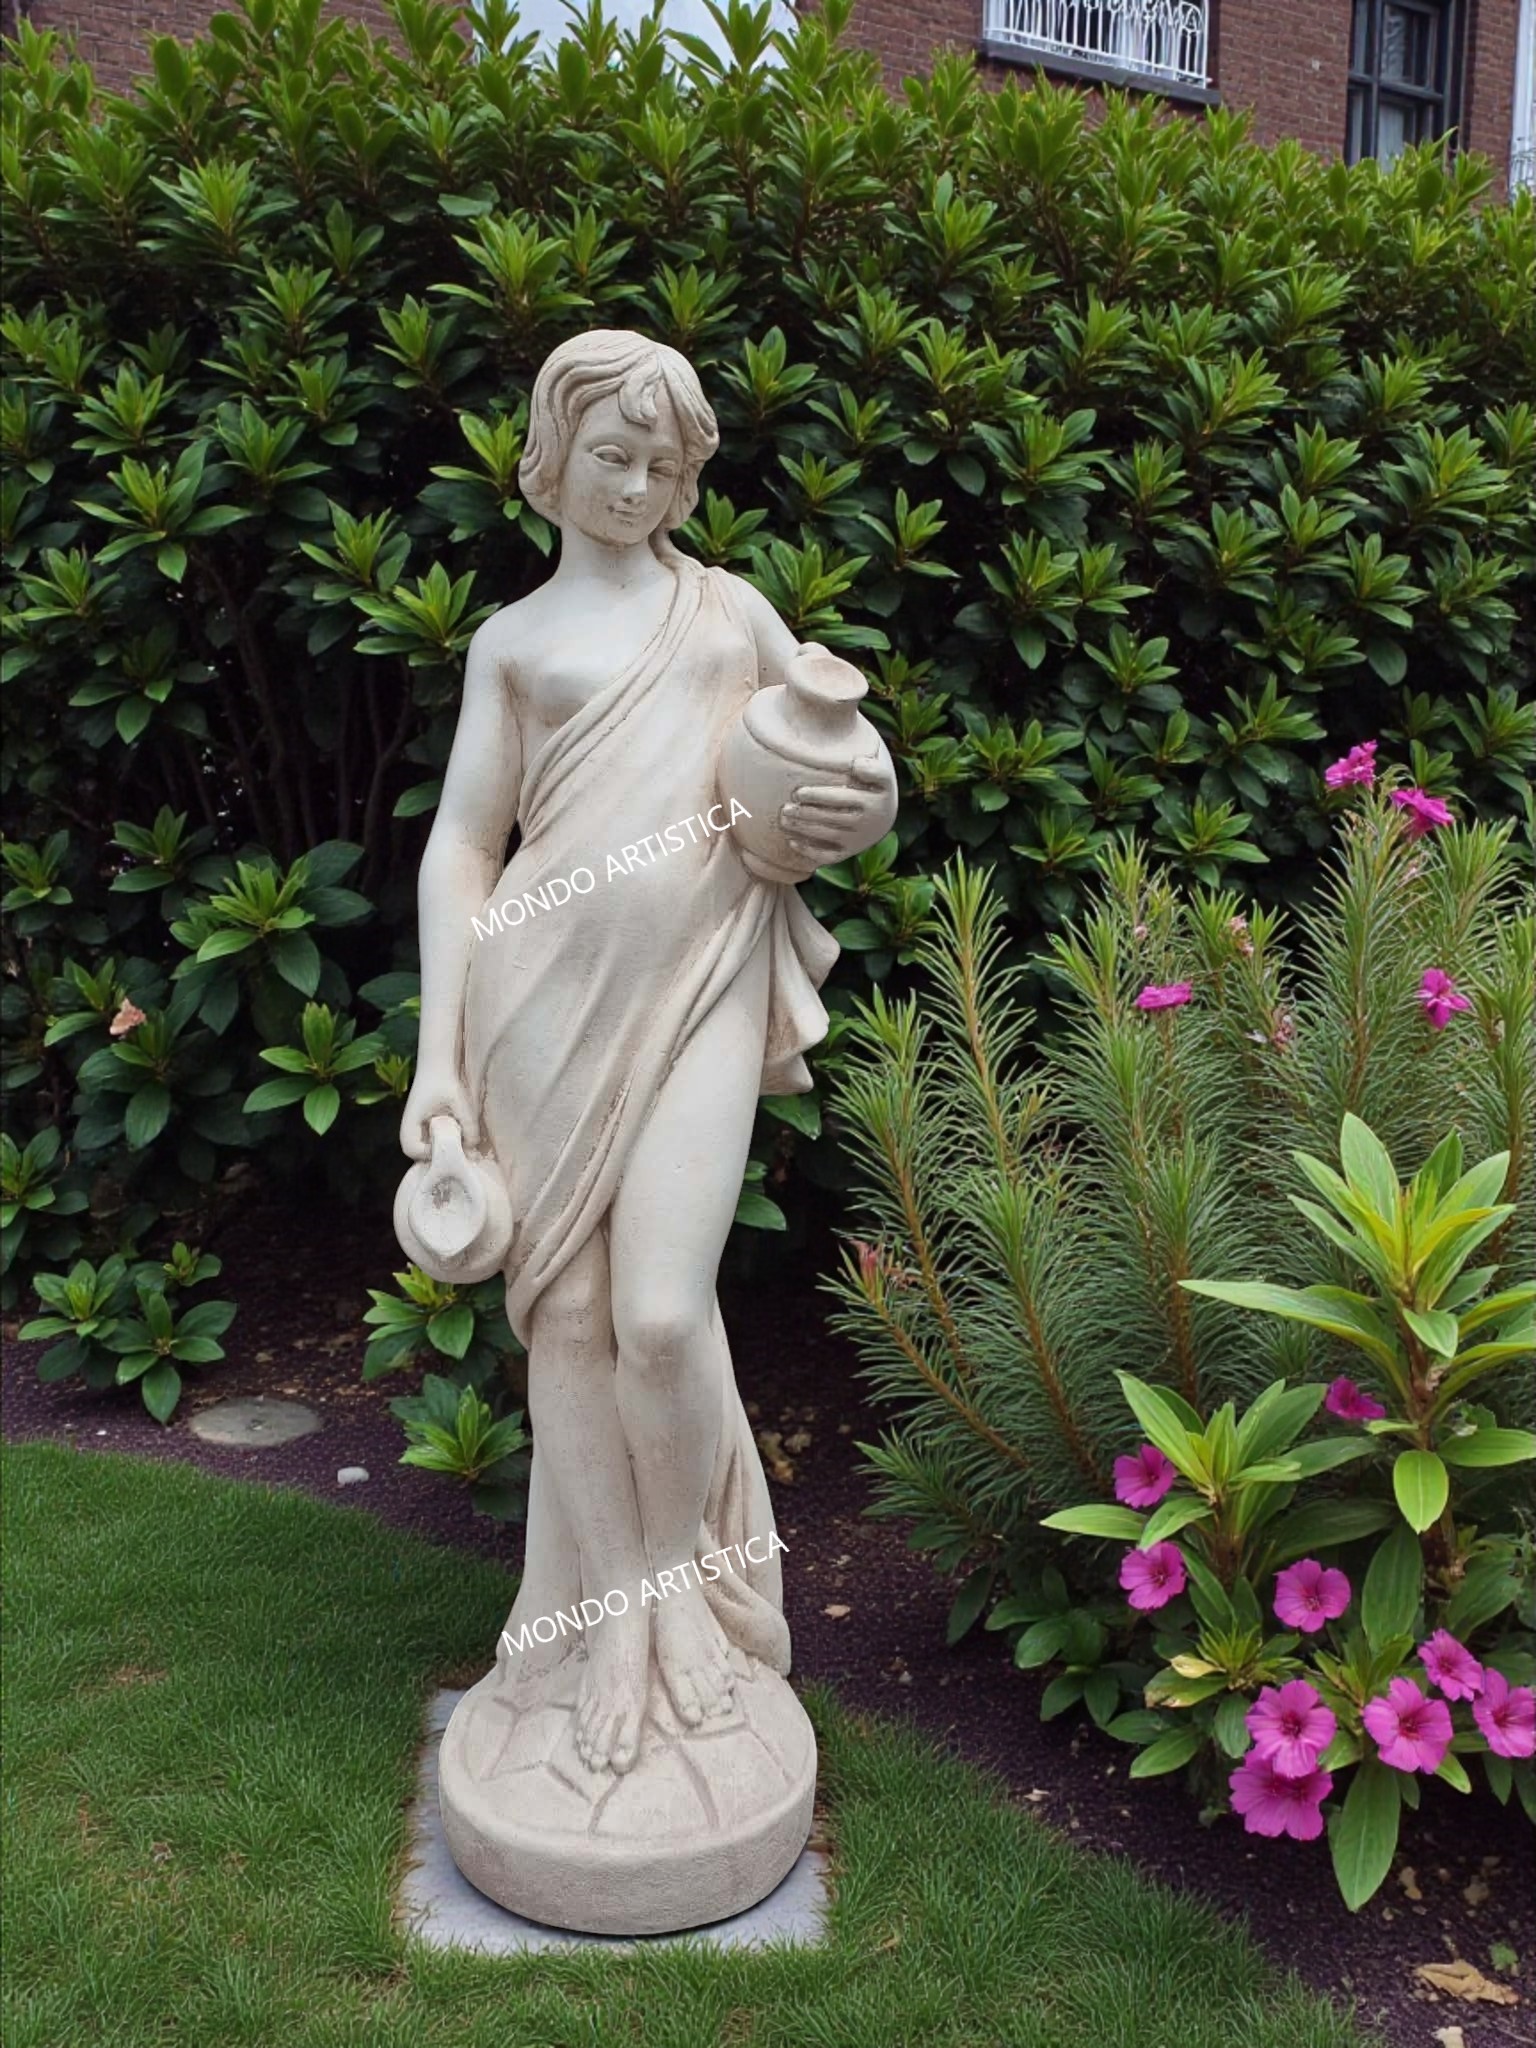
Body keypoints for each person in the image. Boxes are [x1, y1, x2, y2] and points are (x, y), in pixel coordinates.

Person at [399, 329, 897, 1774]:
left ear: (688, 480)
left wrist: (854, 809)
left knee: (664, 1316)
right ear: (550, 461)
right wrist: (439, 1058)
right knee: (567, 1318)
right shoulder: (514, 644)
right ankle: (616, 1614)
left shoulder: (728, 611)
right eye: (606, 456)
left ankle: (680, 1584)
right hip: (534, 1006)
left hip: (701, 986)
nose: (629, 484)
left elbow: (845, 757)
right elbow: (463, 845)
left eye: (658, 463)